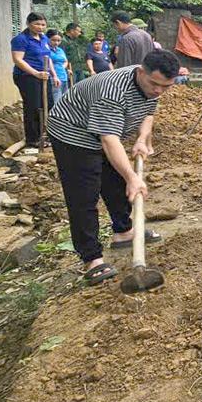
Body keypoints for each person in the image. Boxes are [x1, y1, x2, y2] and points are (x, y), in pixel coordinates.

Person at [47, 50, 180, 285]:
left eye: (166, 87)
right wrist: (132, 176)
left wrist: (142, 138)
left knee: (115, 182)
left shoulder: (153, 86)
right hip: (73, 131)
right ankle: (92, 258)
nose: (158, 91)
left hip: (105, 132)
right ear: (141, 72)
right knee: (84, 193)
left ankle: (123, 232)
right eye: (155, 84)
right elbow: (109, 140)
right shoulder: (113, 92)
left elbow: (148, 112)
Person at [10, 12, 55, 150]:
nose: (40, 27)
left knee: (49, 104)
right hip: (27, 77)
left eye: (43, 24)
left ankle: (46, 134)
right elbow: (18, 60)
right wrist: (35, 73)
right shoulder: (21, 39)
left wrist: (54, 74)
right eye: (37, 24)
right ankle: (33, 138)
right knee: (33, 106)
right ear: (29, 24)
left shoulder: (44, 39)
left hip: (44, 76)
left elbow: (48, 58)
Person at [46, 29, 71, 101]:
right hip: (52, 78)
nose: (56, 43)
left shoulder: (60, 50)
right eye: (53, 40)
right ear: (47, 38)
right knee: (57, 100)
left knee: (64, 99)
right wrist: (54, 75)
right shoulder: (46, 50)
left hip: (63, 76)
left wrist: (63, 67)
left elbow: (65, 61)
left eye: (58, 41)